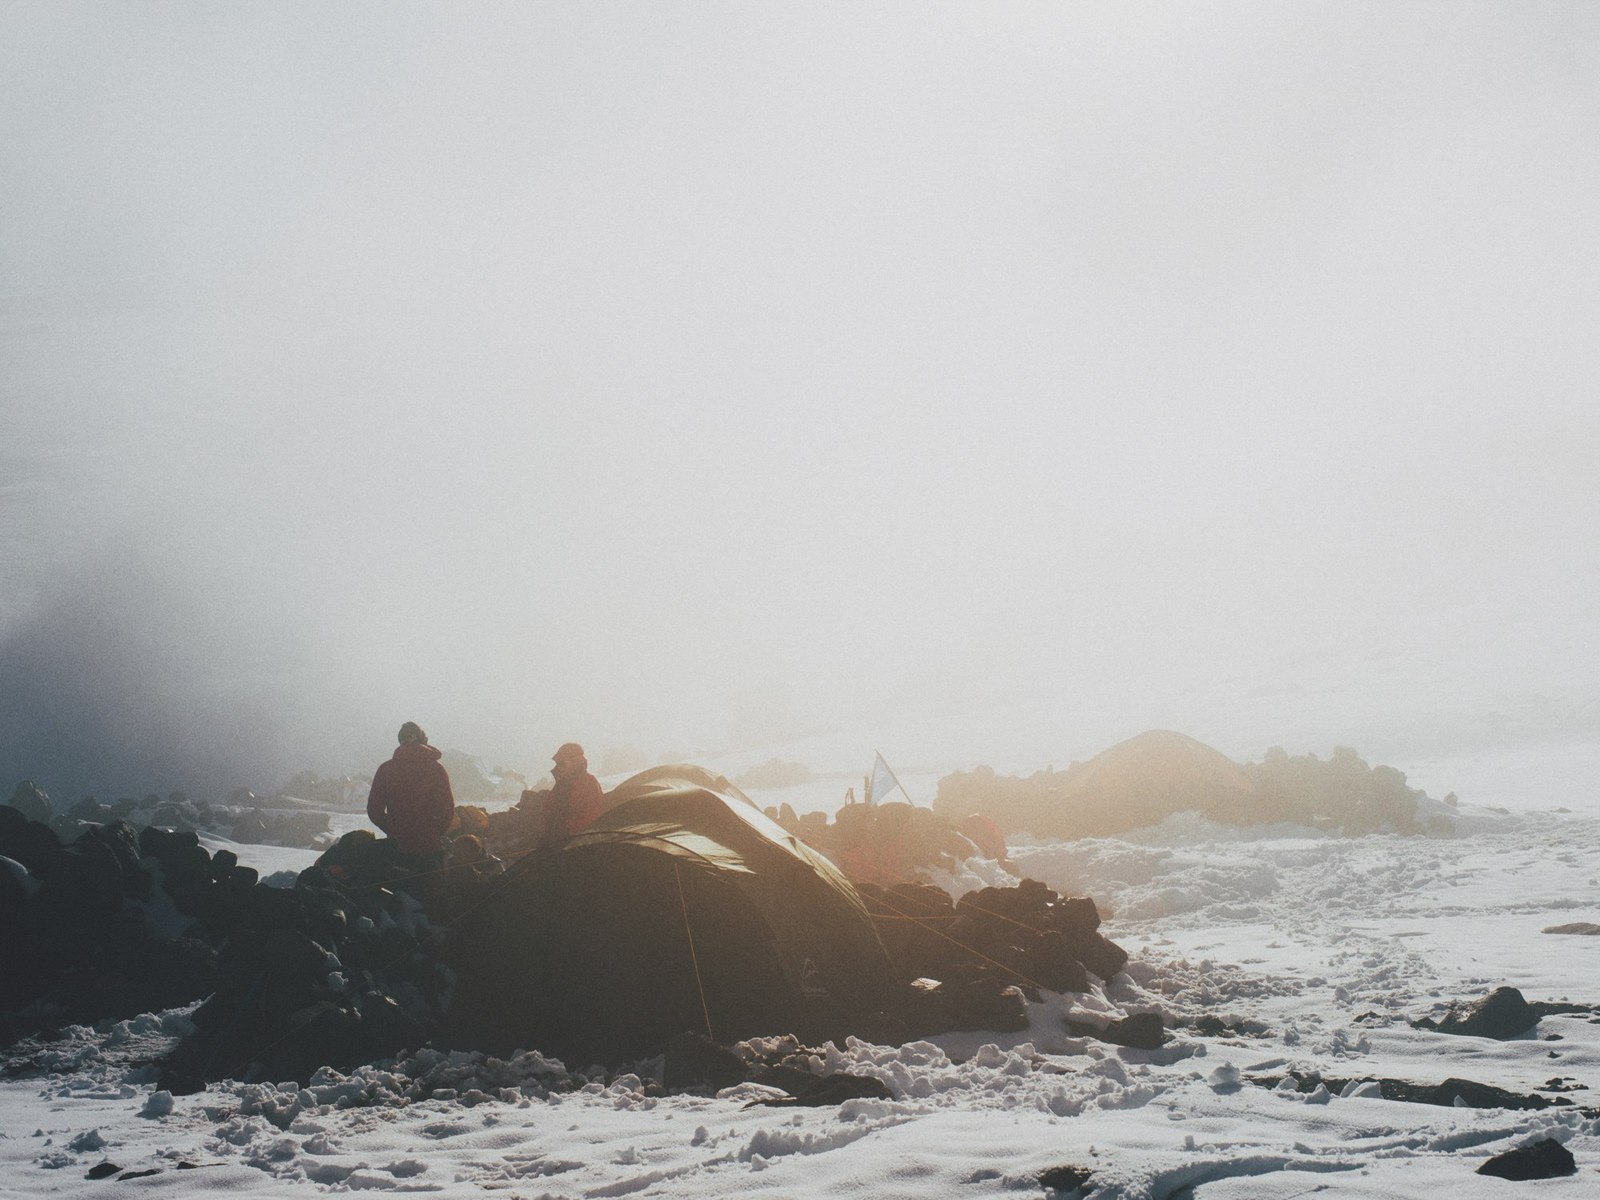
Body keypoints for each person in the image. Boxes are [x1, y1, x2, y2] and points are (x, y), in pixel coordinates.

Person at [366, 721, 456, 869]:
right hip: (430, 846)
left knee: (401, 888)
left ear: (400, 741)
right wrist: (434, 831)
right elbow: (447, 808)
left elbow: (374, 810)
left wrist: (393, 829)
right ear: (424, 741)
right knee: (430, 889)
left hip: (398, 847)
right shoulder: (436, 769)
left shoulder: (386, 770)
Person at [544, 742, 604, 844]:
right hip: (557, 838)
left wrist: (566, 830)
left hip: (579, 840)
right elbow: (548, 809)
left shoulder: (588, 783)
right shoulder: (561, 785)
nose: (558, 768)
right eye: (557, 764)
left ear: (576, 763)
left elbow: (592, 817)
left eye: (563, 764)